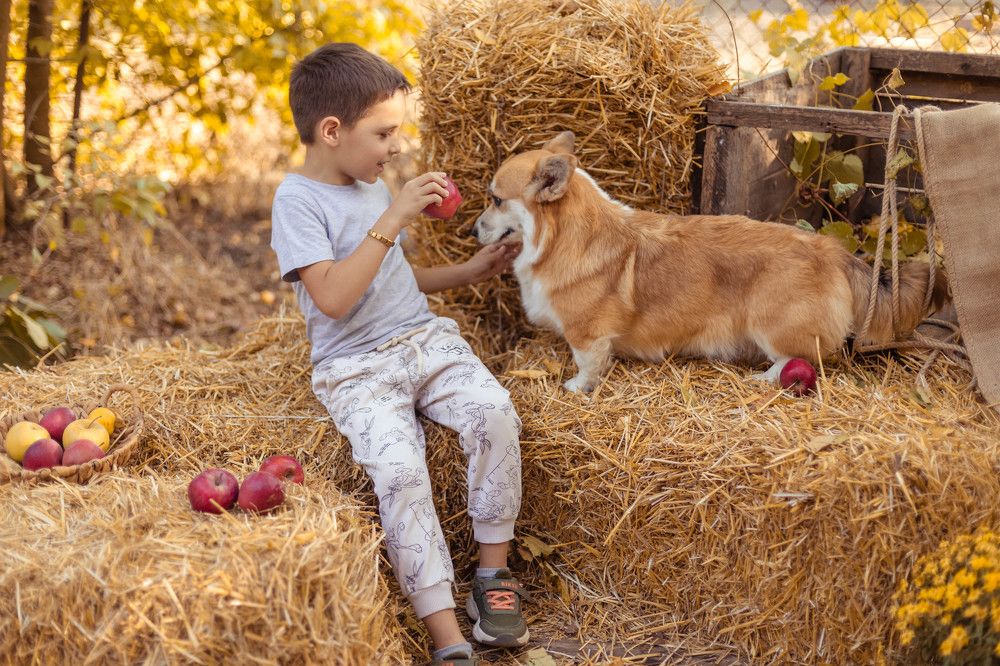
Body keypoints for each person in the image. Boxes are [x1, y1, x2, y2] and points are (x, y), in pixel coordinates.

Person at [270, 42, 528, 665]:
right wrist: (393, 214)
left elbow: (391, 276)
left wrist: (468, 272)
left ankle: (492, 577)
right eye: (384, 134)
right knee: (401, 472)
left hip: (422, 339)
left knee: (495, 413)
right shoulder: (297, 202)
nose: (393, 148)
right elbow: (335, 297)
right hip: (355, 366)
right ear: (332, 131)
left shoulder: (370, 183)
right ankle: (444, 630)